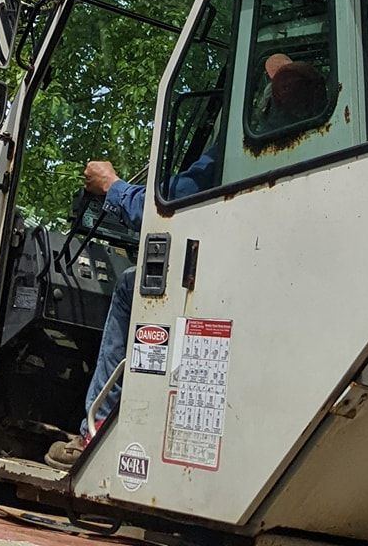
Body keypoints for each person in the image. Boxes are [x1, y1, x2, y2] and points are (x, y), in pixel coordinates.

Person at [44, 52, 323, 467]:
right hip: (278, 285)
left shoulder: (246, 147)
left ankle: (96, 431)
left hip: (225, 278)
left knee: (131, 285)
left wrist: (113, 186)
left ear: (274, 99)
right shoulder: (319, 152)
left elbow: (165, 208)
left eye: (272, 86)